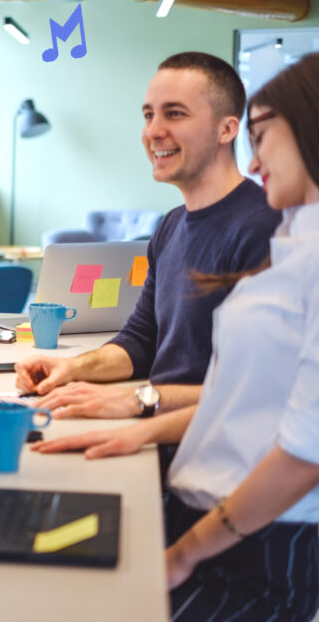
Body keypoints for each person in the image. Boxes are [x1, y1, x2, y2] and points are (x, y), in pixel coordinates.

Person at [33, 53, 319, 621]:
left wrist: (141, 408)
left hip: (260, 527)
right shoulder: (267, 230)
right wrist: (127, 417)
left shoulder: (271, 227)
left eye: (264, 138)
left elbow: (298, 441)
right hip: (202, 493)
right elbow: (218, 376)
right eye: (148, 114)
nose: (258, 162)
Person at [14, 52, 280, 419]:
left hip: (208, 447)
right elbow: (141, 340)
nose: (153, 131)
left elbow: (259, 387)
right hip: (155, 423)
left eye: (175, 113)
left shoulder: (263, 227)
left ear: (227, 129)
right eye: (148, 114)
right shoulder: (170, 226)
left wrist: (136, 400)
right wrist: (72, 369)